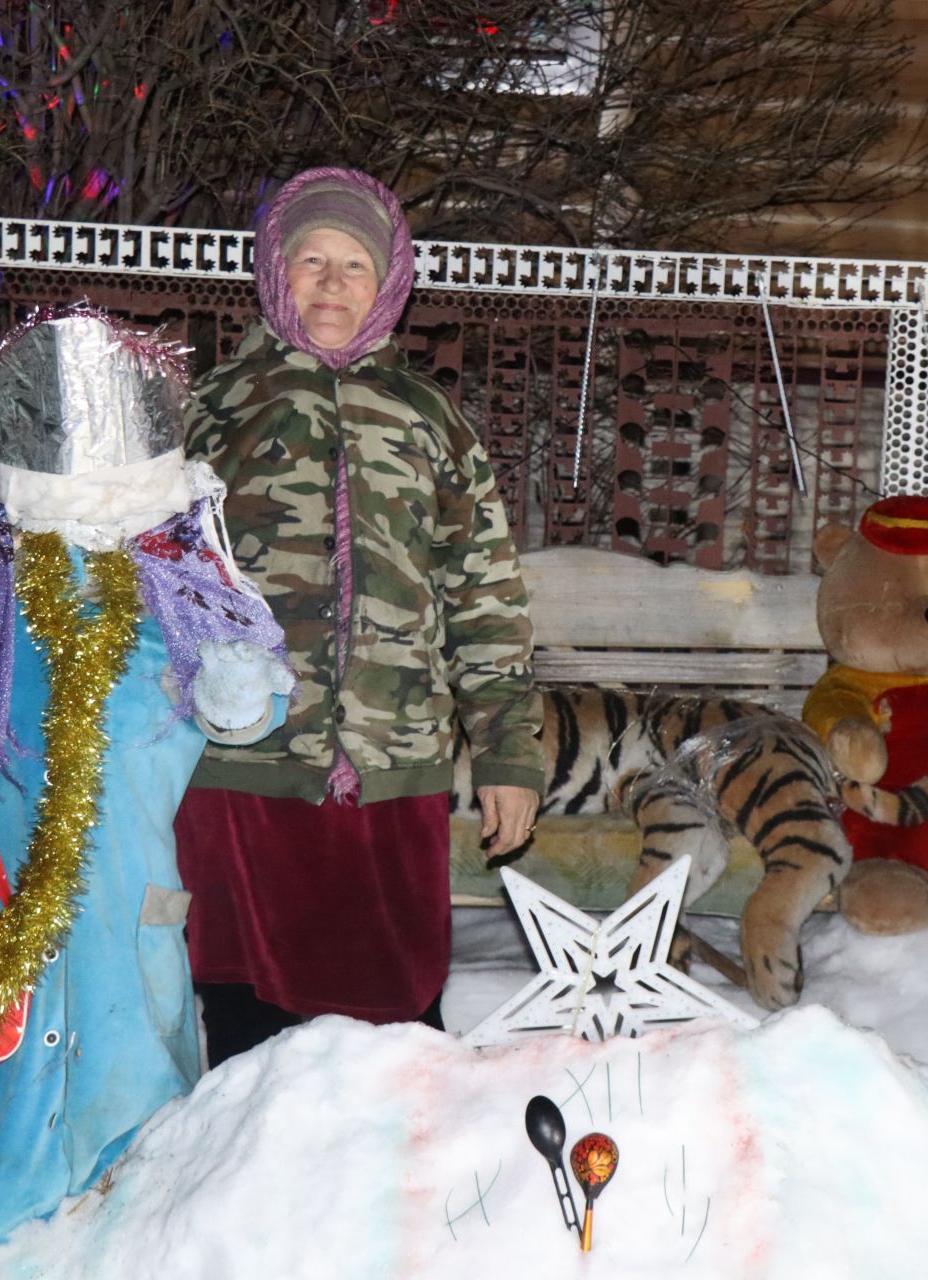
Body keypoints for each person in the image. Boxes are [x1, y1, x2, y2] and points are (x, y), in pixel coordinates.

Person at [0, 308, 292, 1259]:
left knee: (127, 1034)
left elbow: (256, 689)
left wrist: (238, 695)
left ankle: (124, 1208)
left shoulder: (181, 571)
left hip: (122, 869)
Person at [175, 166, 543, 1066]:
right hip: (244, 766)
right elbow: (148, 583)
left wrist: (504, 753)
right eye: (312, 260)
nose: (333, 283)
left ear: (387, 286)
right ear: (274, 271)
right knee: (247, 1033)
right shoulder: (210, 414)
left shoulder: (430, 420)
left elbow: (483, 596)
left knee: (395, 1031)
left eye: (354, 265)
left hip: (392, 766)